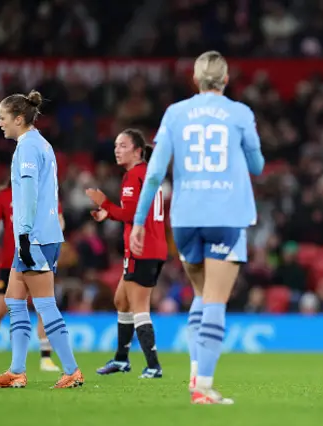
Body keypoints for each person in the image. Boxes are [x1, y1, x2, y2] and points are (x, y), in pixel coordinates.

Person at [130, 50, 264, 404]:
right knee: (216, 300)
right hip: (226, 215)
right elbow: (258, 165)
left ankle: (195, 371)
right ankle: (203, 387)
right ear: (226, 79)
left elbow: (155, 172)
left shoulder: (175, 113)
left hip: (186, 218)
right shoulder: (239, 113)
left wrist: (139, 221)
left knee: (201, 295)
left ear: (195, 78)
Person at [0, 90, 83, 389]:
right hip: (40, 235)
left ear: (18, 118)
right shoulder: (42, 144)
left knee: (44, 305)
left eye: (2, 118)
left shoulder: (27, 148)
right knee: (14, 301)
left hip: (34, 237)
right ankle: (16, 371)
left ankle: (72, 371)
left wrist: (24, 236)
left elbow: (26, 196)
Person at [87, 129, 168, 379]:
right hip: (151, 247)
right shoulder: (148, 175)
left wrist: (105, 204)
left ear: (137, 151)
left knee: (139, 306)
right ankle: (121, 360)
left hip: (141, 249)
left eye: (123, 145)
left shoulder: (134, 176)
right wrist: (108, 213)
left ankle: (153, 365)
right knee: (121, 300)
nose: (117, 150)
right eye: (115, 145)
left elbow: (133, 215)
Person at [0, 178, 64, 372]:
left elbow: (59, 220)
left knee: (44, 306)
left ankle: (45, 358)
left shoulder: (46, 194)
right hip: (9, 263)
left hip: (38, 259)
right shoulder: (4, 196)